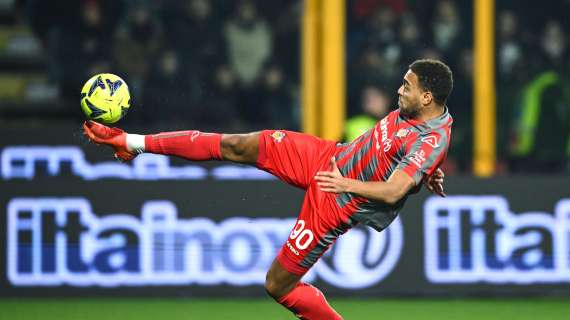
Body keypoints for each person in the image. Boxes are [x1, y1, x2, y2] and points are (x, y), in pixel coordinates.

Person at [83, 59, 452, 320]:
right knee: (238, 144)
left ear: (426, 98)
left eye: (407, 86)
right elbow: (406, 165)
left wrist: (345, 184)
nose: (399, 89)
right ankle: (132, 141)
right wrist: (425, 173)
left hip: (337, 198)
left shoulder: (432, 138)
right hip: (328, 156)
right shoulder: (420, 118)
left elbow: (392, 192)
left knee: (277, 285)